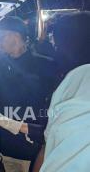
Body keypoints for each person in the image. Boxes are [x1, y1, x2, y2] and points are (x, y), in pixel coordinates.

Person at [0, 16, 57, 172]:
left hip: (28, 148)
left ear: (15, 36)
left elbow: (54, 108)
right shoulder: (1, 65)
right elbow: (2, 98)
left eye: (1, 37)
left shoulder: (45, 65)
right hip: (1, 142)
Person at [40, 12, 90, 172]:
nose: (54, 49)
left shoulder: (77, 78)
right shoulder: (71, 79)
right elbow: (49, 142)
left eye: (57, 44)